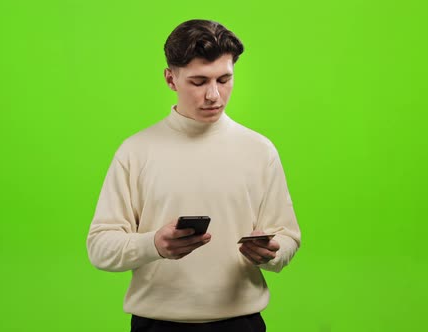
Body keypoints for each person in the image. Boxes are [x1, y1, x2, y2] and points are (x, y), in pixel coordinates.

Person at [86, 19, 301, 332]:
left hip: (240, 324)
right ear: (170, 79)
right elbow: (100, 247)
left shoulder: (260, 150)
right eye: (199, 82)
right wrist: (154, 245)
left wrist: (272, 252)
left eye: (224, 79)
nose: (214, 95)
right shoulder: (135, 151)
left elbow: (289, 236)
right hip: (157, 325)